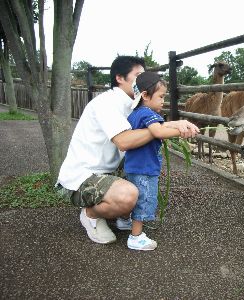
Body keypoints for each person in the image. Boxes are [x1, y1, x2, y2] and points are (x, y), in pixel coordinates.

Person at [56, 56, 199, 244]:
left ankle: (122, 215)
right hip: (82, 178)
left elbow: (152, 127)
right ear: (120, 78)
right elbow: (124, 141)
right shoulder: (107, 103)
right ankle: (90, 215)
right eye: (137, 75)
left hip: (110, 171)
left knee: (143, 179)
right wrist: (165, 130)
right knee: (129, 195)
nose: (141, 80)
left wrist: (178, 124)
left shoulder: (133, 104)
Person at [123, 71, 189, 251]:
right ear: (145, 95)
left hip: (135, 166)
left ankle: (127, 223)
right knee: (145, 200)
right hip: (145, 168)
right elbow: (159, 132)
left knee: (139, 198)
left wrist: (175, 125)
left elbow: (159, 128)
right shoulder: (148, 114)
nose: (163, 101)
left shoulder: (136, 113)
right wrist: (181, 131)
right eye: (160, 96)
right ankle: (135, 237)